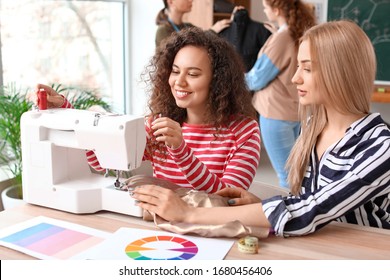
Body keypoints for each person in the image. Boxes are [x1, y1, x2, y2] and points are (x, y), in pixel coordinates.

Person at [130, 20, 390, 236]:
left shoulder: (381, 147)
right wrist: (261, 205)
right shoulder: (314, 128)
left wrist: (188, 212)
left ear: (340, 73)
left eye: (307, 69)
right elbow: (302, 202)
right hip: (322, 247)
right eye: (298, 66)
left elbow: (309, 211)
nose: (295, 77)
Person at [33, 27, 261, 194]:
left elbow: (229, 198)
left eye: (192, 74)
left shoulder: (244, 132)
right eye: (175, 71)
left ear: (218, 81)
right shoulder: (157, 125)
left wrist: (180, 150)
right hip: (163, 229)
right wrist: (67, 112)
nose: (179, 82)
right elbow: (102, 162)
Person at [245, 0, 316, 188]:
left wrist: (231, 78)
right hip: (295, 112)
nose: (264, 11)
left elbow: (257, 79)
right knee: (298, 174)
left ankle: (290, 216)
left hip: (275, 114)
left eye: (265, 7)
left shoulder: (281, 38)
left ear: (276, 10)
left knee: (287, 178)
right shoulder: (299, 33)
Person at [155, 0, 233, 48]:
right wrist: (213, 30)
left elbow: (204, 38)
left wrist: (234, 19)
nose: (191, 0)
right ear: (171, 2)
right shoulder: (163, 30)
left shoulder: (188, 26)